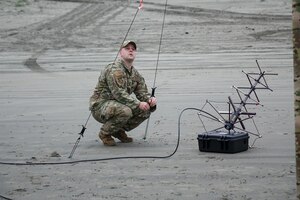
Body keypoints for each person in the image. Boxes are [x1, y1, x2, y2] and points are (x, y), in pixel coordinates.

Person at [89, 40, 157, 146]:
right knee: (126, 111)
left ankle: (117, 129)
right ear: (121, 52)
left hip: (119, 105)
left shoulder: (135, 73)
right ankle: (105, 133)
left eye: (133, 49)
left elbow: (142, 92)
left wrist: (150, 100)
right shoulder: (114, 69)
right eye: (127, 48)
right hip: (100, 106)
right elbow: (119, 94)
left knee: (146, 110)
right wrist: (138, 103)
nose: (131, 50)